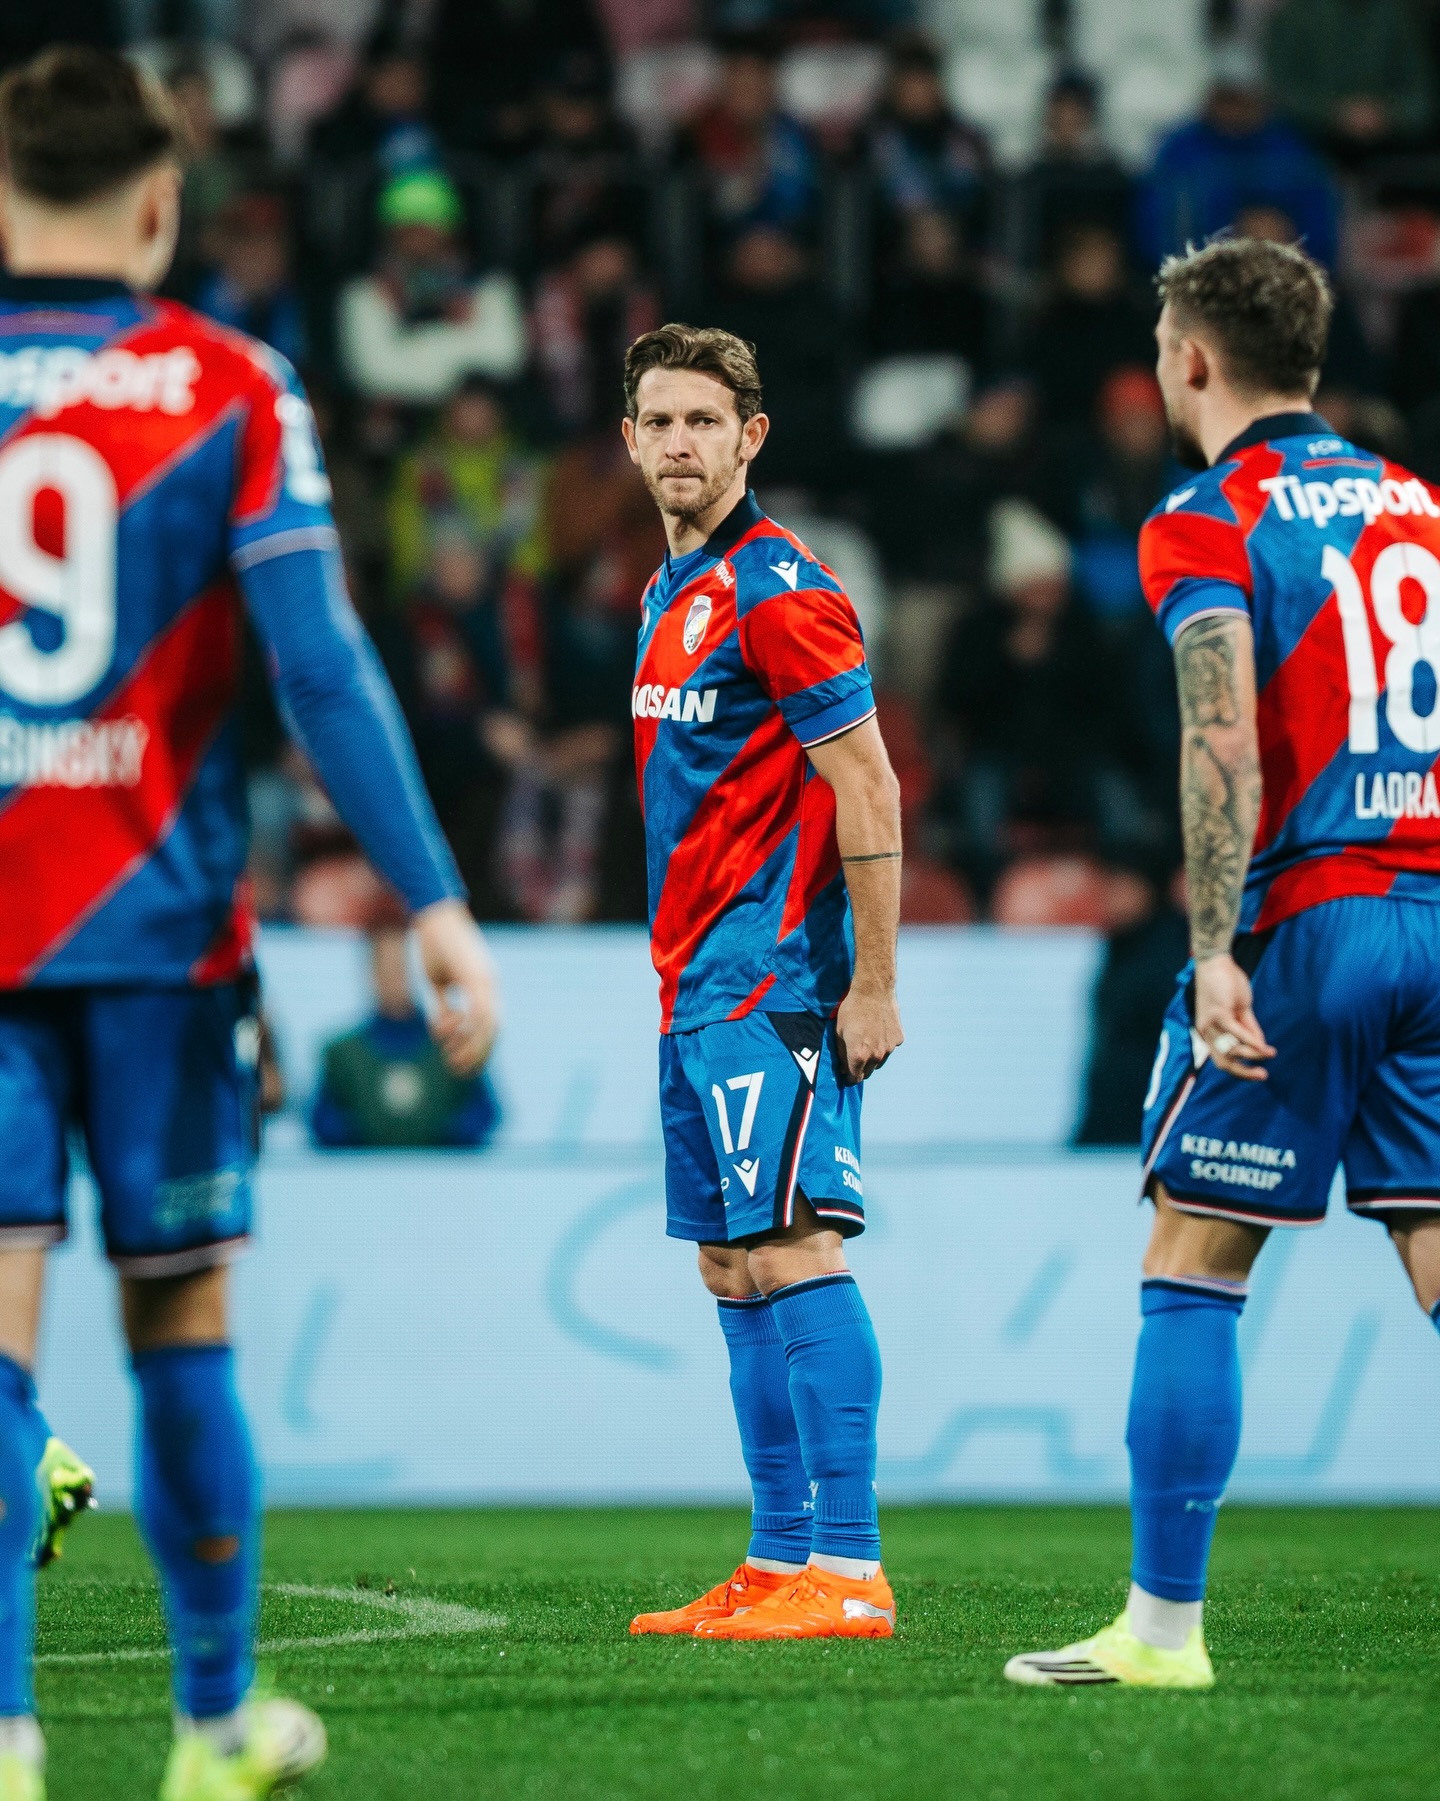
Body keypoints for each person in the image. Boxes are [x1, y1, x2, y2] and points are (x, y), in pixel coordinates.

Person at [0, 47, 499, 1799]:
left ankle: (6, 1741)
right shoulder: (231, 388)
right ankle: (214, 1729)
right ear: (160, 205)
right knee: (179, 1324)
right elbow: (320, 669)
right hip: (158, 938)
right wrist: (434, 899)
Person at [1006, 236, 1440, 1690]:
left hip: (1311, 918)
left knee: (1194, 1258)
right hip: (1434, 905)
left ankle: (1160, 1634)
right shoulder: (1421, 507)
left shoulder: (1205, 517)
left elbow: (1220, 732)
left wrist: (1210, 948)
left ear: (1190, 360)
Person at [622, 324, 904, 1641]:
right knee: (732, 1266)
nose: (680, 441)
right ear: (630, 440)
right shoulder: (664, 593)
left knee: (795, 1246)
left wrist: (875, 984)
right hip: (694, 984)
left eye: (703, 420)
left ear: (752, 436)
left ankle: (849, 1566)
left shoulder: (782, 589)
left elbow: (870, 785)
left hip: (778, 979)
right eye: (659, 420)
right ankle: (777, 1553)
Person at [311, 908, 501, 1148]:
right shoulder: (341, 1053)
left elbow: (485, 1114)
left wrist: (440, 1143)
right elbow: (322, 1123)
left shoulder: (453, 1043)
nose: (394, 978)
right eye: (385, 967)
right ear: (370, 973)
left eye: (400, 967)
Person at [337, 168, 526, 405]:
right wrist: (460, 338)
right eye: (407, 232)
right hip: (403, 416)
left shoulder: (491, 288)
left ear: (453, 234)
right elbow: (374, 374)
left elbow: (505, 360)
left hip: (477, 411)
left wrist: (410, 345)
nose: (419, 244)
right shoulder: (363, 294)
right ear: (388, 238)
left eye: (430, 231)